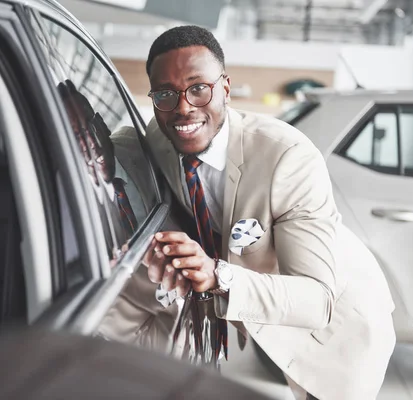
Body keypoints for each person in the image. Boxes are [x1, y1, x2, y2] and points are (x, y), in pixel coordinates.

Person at [103, 25, 396, 400]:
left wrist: (218, 274)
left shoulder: (288, 158)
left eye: (198, 88)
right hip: (259, 311)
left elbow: (317, 299)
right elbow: (120, 149)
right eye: (165, 94)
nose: (183, 108)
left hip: (335, 327)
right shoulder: (162, 138)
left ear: (225, 87)